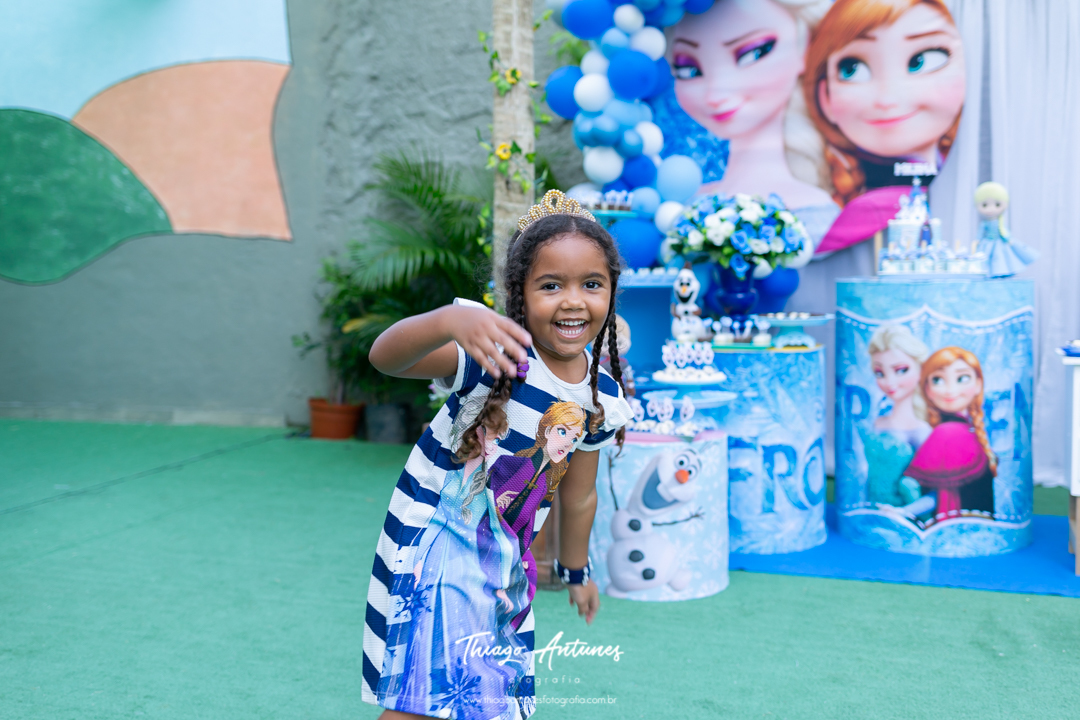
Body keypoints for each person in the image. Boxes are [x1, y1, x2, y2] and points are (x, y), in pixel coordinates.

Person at [361, 190, 633, 720]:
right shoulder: (497, 357)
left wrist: (576, 573)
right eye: (551, 285)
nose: (573, 300)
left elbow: (579, 498)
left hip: (503, 562)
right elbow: (385, 358)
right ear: (521, 295)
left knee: (490, 698)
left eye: (591, 284)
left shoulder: (602, 400)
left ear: (611, 292)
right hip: (438, 548)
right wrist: (447, 322)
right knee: (425, 697)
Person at [668, 0, 839, 241]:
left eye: (752, 54)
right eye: (688, 69)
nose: (715, 94)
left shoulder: (816, 211)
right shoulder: (689, 204)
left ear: (804, 46)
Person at [803, 0, 966, 205]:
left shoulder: (966, 180)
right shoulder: (864, 210)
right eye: (852, 69)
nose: (887, 99)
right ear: (824, 95)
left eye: (921, 60)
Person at [904, 346, 996, 522]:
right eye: (938, 380)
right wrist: (906, 512)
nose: (950, 390)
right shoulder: (948, 431)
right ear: (927, 389)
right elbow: (937, 493)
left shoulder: (958, 430)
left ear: (978, 384)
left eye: (962, 378)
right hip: (966, 526)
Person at [860, 325, 931, 507]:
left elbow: (933, 490)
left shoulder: (922, 432)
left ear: (920, 370)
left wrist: (907, 512)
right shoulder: (879, 422)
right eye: (880, 373)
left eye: (901, 370)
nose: (890, 382)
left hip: (902, 513)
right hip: (872, 507)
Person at [974, 181, 1038, 278]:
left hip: (999, 244)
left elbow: (1004, 231)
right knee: (985, 261)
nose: (991, 209)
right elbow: (980, 234)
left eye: (997, 205)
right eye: (985, 205)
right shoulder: (984, 224)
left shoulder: (1000, 222)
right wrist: (977, 241)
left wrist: (1009, 239)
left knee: (1002, 260)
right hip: (987, 244)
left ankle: (1001, 276)